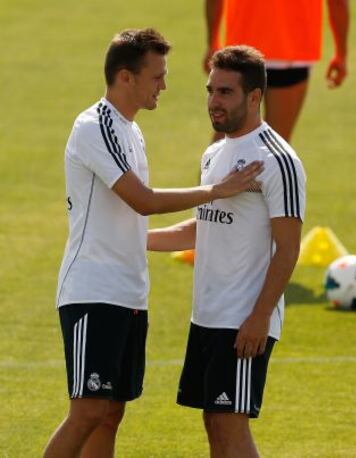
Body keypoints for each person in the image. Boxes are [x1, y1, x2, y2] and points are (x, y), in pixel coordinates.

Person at [43, 29, 263, 458]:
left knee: (110, 414)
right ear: (126, 77)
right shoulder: (95, 126)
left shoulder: (131, 131)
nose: (163, 84)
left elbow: (129, 222)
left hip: (128, 294)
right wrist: (215, 191)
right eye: (156, 76)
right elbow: (142, 201)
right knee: (87, 412)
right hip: (94, 291)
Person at [148, 45, 306, 457]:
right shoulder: (214, 153)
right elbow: (203, 229)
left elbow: (288, 248)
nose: (214, 102)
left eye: (225, 92)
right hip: (207, 316)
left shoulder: (277, 160)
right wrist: (135, 239)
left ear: (254, 97)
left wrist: (259, 316)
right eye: (211, 90)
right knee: (214, 422)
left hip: (244, 320)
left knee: (228, 424)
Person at [204, 0, 349, 142]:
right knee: (274, 146)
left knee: (225, 144)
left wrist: (212, 42)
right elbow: (337, 2)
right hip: (291, 50)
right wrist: (341, 53)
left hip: (241, 48)